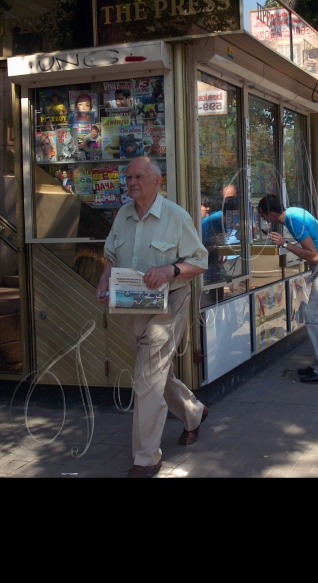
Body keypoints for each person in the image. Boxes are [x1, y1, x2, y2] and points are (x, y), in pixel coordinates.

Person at [96, 157, 209, 478]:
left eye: (139, 176)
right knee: (154, 374)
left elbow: (199, 261)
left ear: (157, 181)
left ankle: (146, 459)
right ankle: (193, 412)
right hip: (131, 306)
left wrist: (169, 270)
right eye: (129, 176)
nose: (132, 181)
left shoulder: (176, 217)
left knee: (146, 378)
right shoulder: (123, 214)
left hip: (169, 304)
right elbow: (110, 255)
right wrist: (105, 278)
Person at [259, 194, 318, 382]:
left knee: (313, 316)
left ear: (272, 213)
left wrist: (285, 244)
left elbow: (313, 256)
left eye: (264, 216)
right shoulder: (294, 212)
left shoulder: (292, 221)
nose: (265, 220)